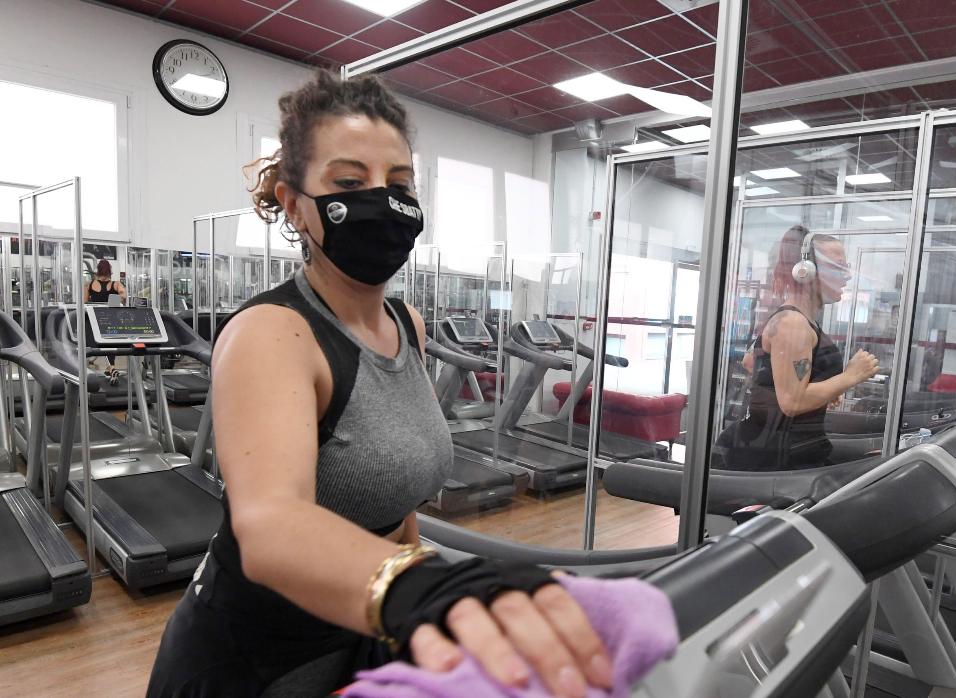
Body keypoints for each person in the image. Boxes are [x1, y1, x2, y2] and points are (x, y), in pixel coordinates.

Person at [147, 72, 611, 698]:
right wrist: (421, 590)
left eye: (399, 184)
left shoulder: (408, 326)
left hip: (363, 631)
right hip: (259, 656)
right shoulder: (272, 334)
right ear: (293, 204)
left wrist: (413, 605)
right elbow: (269, 524)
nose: (382, 201)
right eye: (348, 183)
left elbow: (399, 513)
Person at [714, 225, 880, 471]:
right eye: (838, 267)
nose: (847, 275)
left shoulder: (798, 318)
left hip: (792, 445)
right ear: (806, 271)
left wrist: (819, 390)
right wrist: (850, 376)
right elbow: (792, 402)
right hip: (776, 456)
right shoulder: (794, 324)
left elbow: (752, 361)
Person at [84, 259, 126, 381]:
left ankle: (110, 368)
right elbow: (123, 296)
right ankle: (111, 367)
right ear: (110, 271)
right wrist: (114, 300)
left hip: (95, 319)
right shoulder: (116, 284)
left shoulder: (89, 285)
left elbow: (84, 303)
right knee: (110, 344)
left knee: (95, 343)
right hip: (110, 319)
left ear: (98, 270)